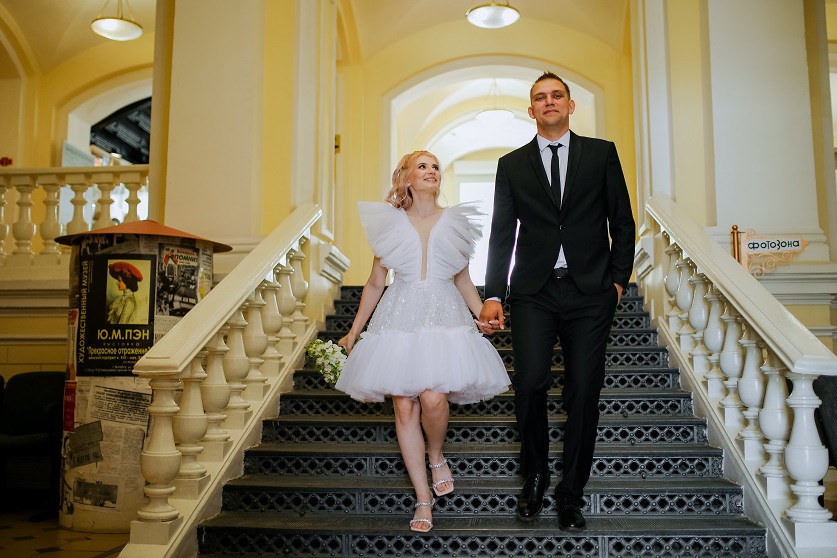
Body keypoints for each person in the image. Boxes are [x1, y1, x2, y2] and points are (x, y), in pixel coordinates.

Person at [479, 72, 636, 531]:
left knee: (584, 391)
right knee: (529, 383)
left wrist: (618, 282)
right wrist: (494, 292)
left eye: (557, 95)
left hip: (591, 292)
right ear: (531, 110)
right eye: (540, 97)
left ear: (570, 105)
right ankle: (535, 476)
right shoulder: (512, 164)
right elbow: (502, 232)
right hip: (535, 291)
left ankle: (571, 493)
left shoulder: (602, 154)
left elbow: (622, 220)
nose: (549, 102)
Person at [335, 150, 510, 533]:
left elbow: (463, 279)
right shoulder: (389, 224)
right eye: (422, 166)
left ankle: (435, 454)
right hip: (400, 318)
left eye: (435, 167)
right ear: (406, 178)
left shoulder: (455, 222)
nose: (431, 171)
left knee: (433, 399)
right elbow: (376, 283)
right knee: (403, 406)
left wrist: (483, 315)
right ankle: (422, 497)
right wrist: (354, 331)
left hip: (444, 316)